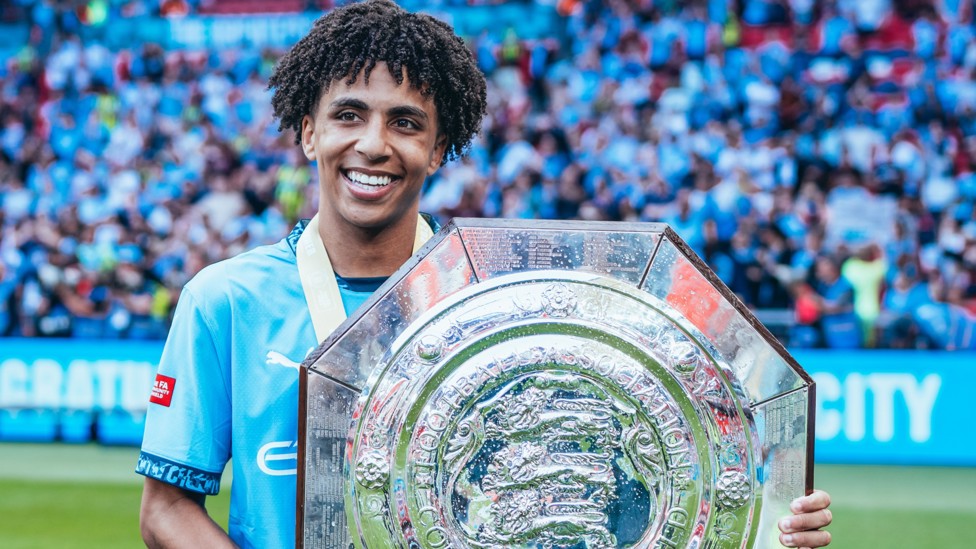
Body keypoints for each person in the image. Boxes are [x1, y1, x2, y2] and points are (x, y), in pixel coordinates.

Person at [135, 1, 833, 548]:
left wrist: (774, 522)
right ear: (310, 131)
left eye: (406, 123)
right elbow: (165, 509)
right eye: (348, 115)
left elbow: (610, 490)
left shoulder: (497, 300)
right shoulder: (225, 300)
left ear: (439, 148)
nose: (373, 144)